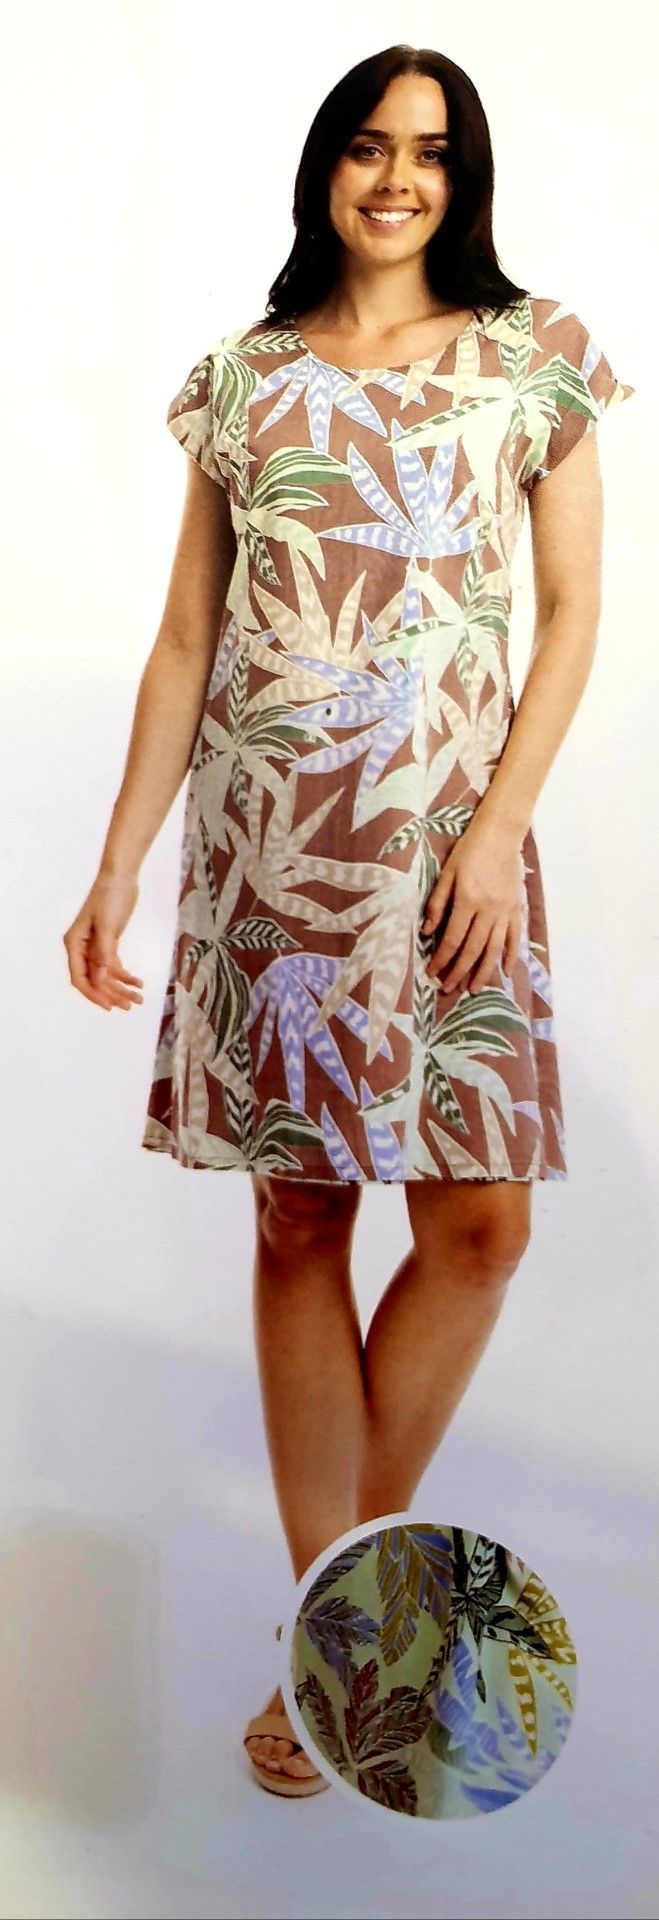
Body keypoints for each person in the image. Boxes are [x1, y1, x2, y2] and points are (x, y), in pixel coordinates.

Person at [63, 44, 635, 1796]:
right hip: (270, 858)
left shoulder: (535, 356)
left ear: (466, 182)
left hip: (454, 862)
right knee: (304, 1220)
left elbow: (570, 613)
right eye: (374, 149)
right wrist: (118, 862)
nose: (401, 180)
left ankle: (339, 1640)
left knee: (479, 1227)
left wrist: (500, 832)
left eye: (435, 155)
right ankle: (347, 1647)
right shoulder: (241, 381)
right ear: (327, 164)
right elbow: (182, 639)